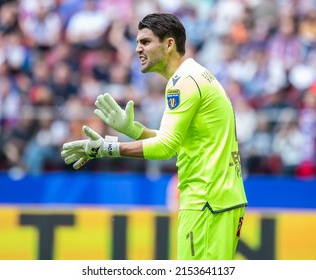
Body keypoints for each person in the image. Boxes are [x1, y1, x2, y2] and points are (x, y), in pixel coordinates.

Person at [61, 13, 247, 260]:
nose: (138, 49)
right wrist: (133, 130)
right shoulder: (195, 75)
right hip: (219, 199)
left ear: (169, 44)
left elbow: (165, 148)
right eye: (138, 42)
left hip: (206, 202)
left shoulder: (183, 83)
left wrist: (107, 147)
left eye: (146, 42)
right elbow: (179, 142)